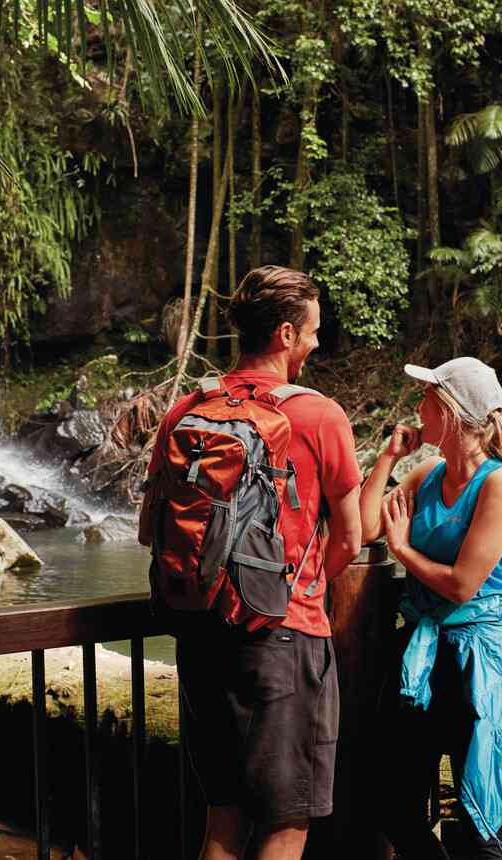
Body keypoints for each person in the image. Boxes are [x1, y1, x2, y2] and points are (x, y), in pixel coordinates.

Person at [145, 266, 362, 860]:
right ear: (287, 334)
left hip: (201, 629)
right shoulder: (318, 415)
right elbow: (351, 537)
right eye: (314, 331)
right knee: (287, 822)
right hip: (283, 637)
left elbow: (159, 525)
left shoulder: (189, 407)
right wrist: (304, 585)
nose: (318, 343)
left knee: (225, 815)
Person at [359, 357, 502, 860]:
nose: (417, 408)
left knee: (484, 819)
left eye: (426, 399)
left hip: (480, 665)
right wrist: (388, 460)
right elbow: (367, 527)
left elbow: (461, 585)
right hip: (420, 658)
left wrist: (404, 551)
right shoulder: (429, 473)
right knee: (392, 805)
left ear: (451, 412)